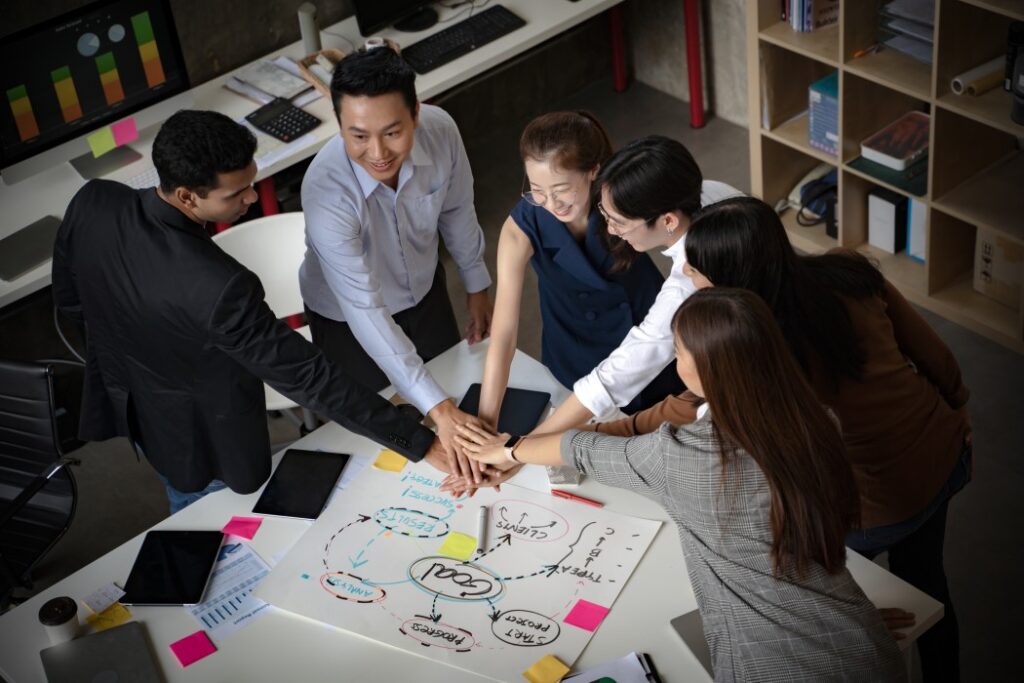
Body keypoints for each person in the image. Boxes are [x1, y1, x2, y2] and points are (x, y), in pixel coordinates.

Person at [452, 289, 907, 682]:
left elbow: (582, 449)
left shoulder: (685, 456)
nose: (673, 356)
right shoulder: (815, 419)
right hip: (862, 646)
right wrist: (845, 623)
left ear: (707, 371)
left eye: (679, 351)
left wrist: (508, 451)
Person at [51, 110, 454, 514]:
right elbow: (309, 377)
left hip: (136, 406)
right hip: (202, 439)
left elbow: (70, 302)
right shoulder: (218, 288)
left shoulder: (93, 202)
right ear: (187, 196)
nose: (251, 197)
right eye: (236, 193)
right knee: (212, 526)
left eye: (251, 182)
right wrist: (418, 442)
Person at [654, 196, 967, 681]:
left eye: (695, 271)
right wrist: (958, 412)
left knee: (835, 598)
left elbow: (683, 408)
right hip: (940, 457)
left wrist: (587, 432)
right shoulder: (849, 273)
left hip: (870, 507)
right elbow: (937, 360)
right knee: (929, 585)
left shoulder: (754, 347)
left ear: (732, 280)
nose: (686, 277)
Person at [299, 46, 491, 481]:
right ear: (340, 123)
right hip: (348, 320)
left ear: (416, 114)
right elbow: (365, 311)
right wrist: (436, 408)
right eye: (359, 135)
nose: (378, 152)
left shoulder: (442, 131)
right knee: (381, 447)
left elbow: (458, 210)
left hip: (424, 290)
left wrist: (476, 284)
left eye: (392, 132)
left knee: (454, 396)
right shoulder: (326, 192)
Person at [478, 112, 680, 427]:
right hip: (573, 345)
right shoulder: (522, 227)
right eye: (537, 190)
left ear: (593, 171)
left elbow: (679, 241)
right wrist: (487, 419)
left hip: (644, 331)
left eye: (560, 188)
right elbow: (503, 332)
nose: (550, 202)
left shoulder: (626, 198)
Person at [530, 135, 740, 434]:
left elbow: (625, 368)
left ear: (668, 221)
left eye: (619, 221)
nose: (609, 229)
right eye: (603, 213)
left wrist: (527, 443)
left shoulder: (692, 283)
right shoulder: (709, 192)